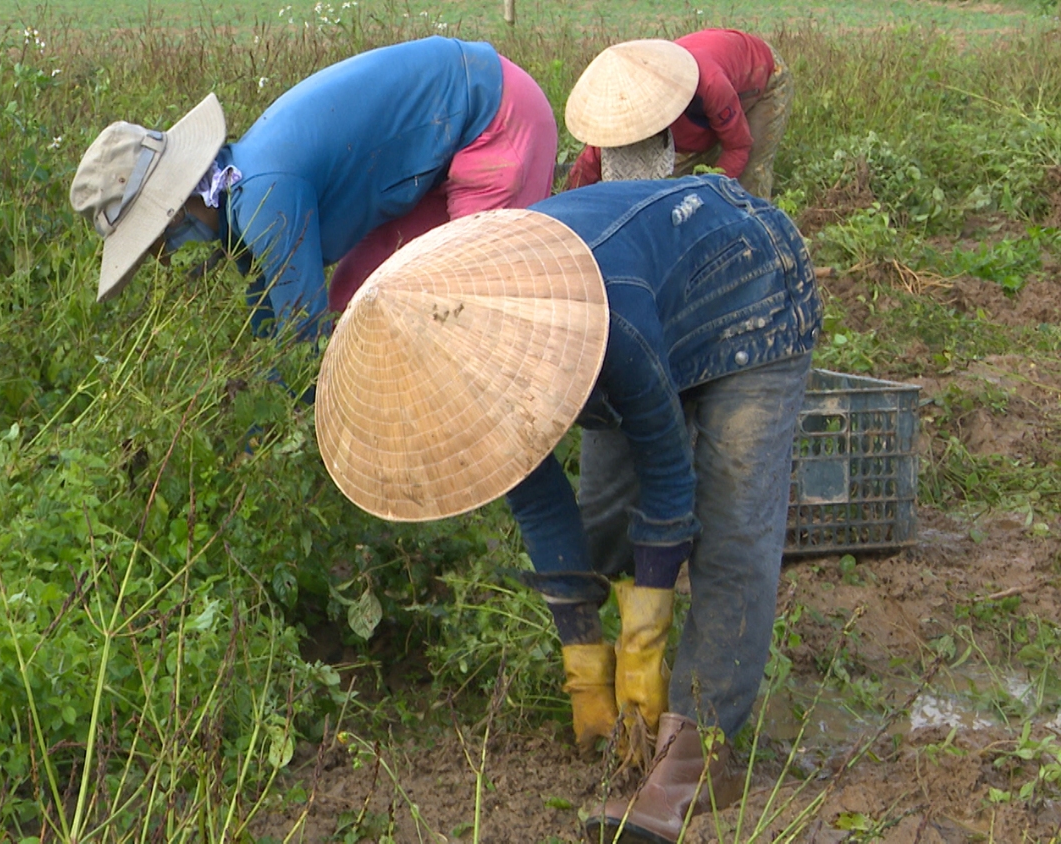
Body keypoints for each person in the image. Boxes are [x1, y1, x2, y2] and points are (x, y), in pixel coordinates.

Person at [314, 175, 822, 844]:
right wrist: (582, 652)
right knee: (605, 511)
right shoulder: (465, 357)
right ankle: (614, 688)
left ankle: (700, 758)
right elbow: (541, 503)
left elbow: (668, 477)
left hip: (744, 287)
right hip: (638, 306)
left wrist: (647, 632)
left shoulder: (601, 311)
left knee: (730, 531)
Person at [69, 36, 557, 342]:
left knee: (470, 318)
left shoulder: (261, 198)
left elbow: (304, 334)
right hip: (432, 156)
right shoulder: (237, 201)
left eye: (155, 245)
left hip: (493, 116)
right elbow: (269, 311)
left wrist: (272, 432)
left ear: (173, 213)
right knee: (358, 307)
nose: (166, 257)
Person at [563, 30, 792, 199]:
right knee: (667, 183)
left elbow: (738, 147)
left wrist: (704, 197)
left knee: (747, 180)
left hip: (761, 80)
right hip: (701, 115)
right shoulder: (632, 103)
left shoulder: (710, 84)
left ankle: (755, 244)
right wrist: (567, 201)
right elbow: (593, 159)